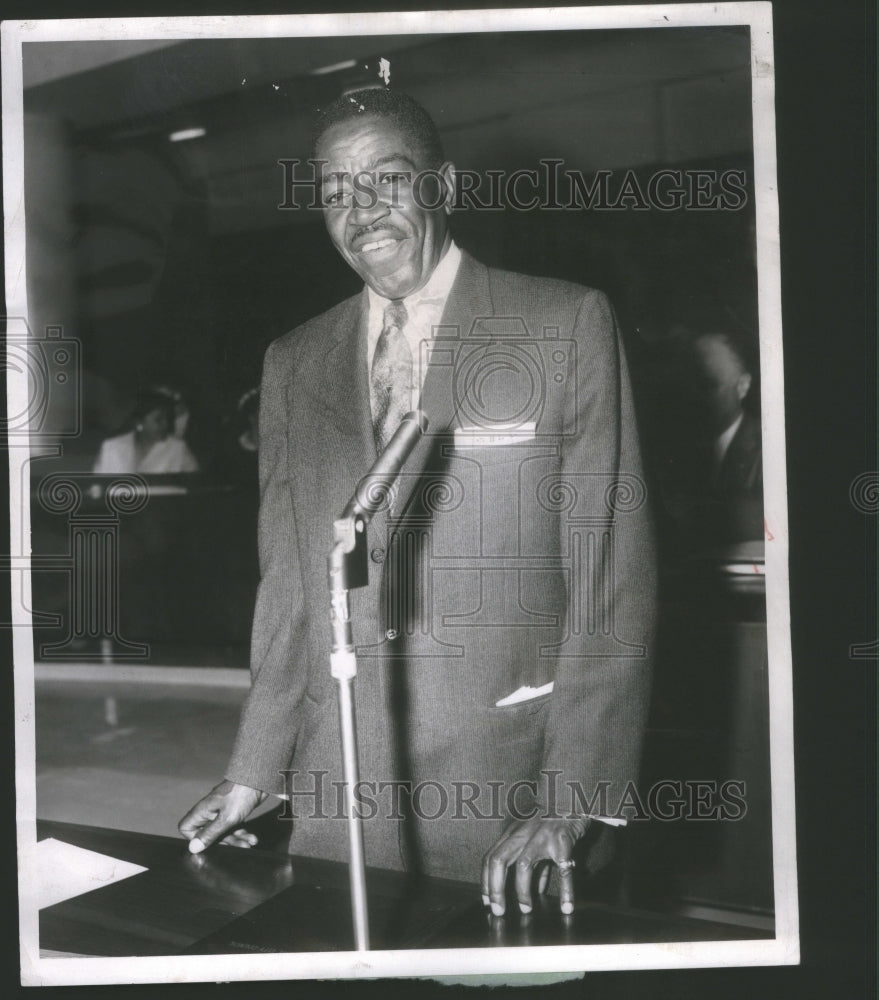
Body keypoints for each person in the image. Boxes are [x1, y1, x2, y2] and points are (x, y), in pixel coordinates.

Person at [179, 89, 657, 917]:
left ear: (442, 185)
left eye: (385, 179)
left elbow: (609, 575)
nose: (359, 210)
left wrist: (568, 798)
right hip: (339, 781)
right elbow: (290, 586)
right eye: (334, 193)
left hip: (505, 785)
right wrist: (257, 767)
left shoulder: (563, 320)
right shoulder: (293, 359)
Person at [689, 330, 763, 543]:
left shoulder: (767, 448)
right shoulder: (679, 449)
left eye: (708, 385)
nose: (695, 397)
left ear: (743, 386)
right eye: (689, 384)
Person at [93, 386, 199, 475]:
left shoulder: (177, 449)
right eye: (158, 420)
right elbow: (98, 489)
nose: (165, 424)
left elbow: (197, 486)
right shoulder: (111, 448)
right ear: (139, 422)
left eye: (167, 418)